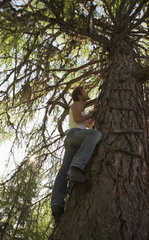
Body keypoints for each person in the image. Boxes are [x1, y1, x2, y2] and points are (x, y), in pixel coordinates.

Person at [51, 87, 102, 222]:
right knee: (97, 135)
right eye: (84, 91)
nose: (87, 92)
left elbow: (90, 126)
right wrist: (91, 114)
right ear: (79, 96)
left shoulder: (82, 108)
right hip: (74, 135)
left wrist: (94, 114)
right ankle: (77, 168)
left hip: (77, 138)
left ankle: (57, 205)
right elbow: (78, 118)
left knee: (63, 170)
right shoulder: (77, 104)